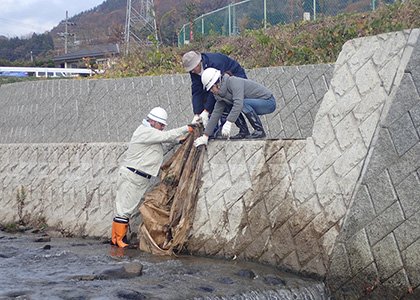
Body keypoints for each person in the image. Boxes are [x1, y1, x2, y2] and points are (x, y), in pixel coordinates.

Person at [111, 107, 194, 248]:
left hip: (135, 176)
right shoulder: (145, 131)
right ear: (153, 121)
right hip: (133, 176)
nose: (162, 127)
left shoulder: (148, 132)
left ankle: (116, 239)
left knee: (124, 207)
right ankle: (119, 241)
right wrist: (187, 128)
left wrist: (179, 140)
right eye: (161, 124)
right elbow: (166, 136)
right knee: (125, 208)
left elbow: (163, 140)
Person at [194, 68, 276, 147]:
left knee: (242, 103)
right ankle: (244, 131)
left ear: (217, 83)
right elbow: (216, 114)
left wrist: (228, 122)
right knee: (229, 104)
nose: (212, 91)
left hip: (268, 102)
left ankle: (259, 131)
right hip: (252, 103)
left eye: (212, 88)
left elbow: (238, 104)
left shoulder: (234, 82)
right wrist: (205, 136)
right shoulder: (221, 96)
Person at [182, 50, 250, 139]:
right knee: (206, 101)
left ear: (199, 63)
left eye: (193, 69)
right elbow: (197, 90)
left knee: (224, 98)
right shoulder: (194, 71)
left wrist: (206, 111)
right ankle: (212, 132)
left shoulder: (215, 62)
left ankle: (237, 129)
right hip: (214, 83)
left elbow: (218, 90)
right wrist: (197, 114)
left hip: (234, 77)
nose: (193, 72)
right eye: (191, 70)